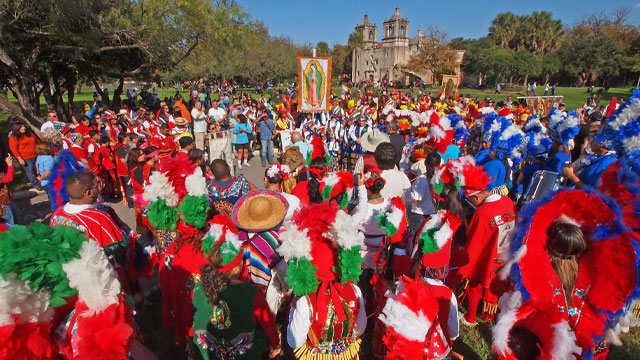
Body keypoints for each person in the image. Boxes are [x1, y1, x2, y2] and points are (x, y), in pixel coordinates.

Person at [282, 203, 367, 359]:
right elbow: (359, 330)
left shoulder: (304, 302)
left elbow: (295, 342)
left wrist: (293, 308)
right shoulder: (355, 291)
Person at [191, 224, 281, 359]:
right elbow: (268, 325)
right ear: (235, 269)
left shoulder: (197, 289)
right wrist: (276, 344)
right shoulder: (251, 294)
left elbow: (192, 321)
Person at [455, 163, 516, 325]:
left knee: (474, 280)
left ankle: (471, 317)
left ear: (475, 197)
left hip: (488, 254)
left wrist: (465, 265)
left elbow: (474, 243)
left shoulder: (483, 213)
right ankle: (494, 313)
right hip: (505, 251)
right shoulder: (507, 201)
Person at [407, 152, 439, 235]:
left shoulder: (421, 180)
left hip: (419, 215)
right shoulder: (438, 178)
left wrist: (406, 192)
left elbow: (416, 199)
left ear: (425, 163)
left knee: (414, 238)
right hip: (431, 213)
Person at [8, 121, 39, 188]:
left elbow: (37, 142)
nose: (23, 128)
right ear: (17, 128)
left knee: (38, 169)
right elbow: (14, 149)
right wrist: (19, 158)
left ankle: (41, 181)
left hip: (36, 155)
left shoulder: (29, 134)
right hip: (25, 157)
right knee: (30, 171)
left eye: (24, 126)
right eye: (21, 127)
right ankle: (35, 184)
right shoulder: (13, 137)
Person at [35, 142, 56, 212]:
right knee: (56, 202)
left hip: (44, 184)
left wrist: (39, 178)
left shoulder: (39, 157)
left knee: (51, 199)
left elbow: (37, 170)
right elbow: (47, 173)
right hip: (51, 182)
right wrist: (41, 178)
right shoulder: (49, 158)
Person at [0, 155, 15, 224]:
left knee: (15, 219)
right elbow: (8, 178)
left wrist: (10, 165)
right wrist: (10, 165)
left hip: (6, 199)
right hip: (3, 202)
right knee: (9, 223)